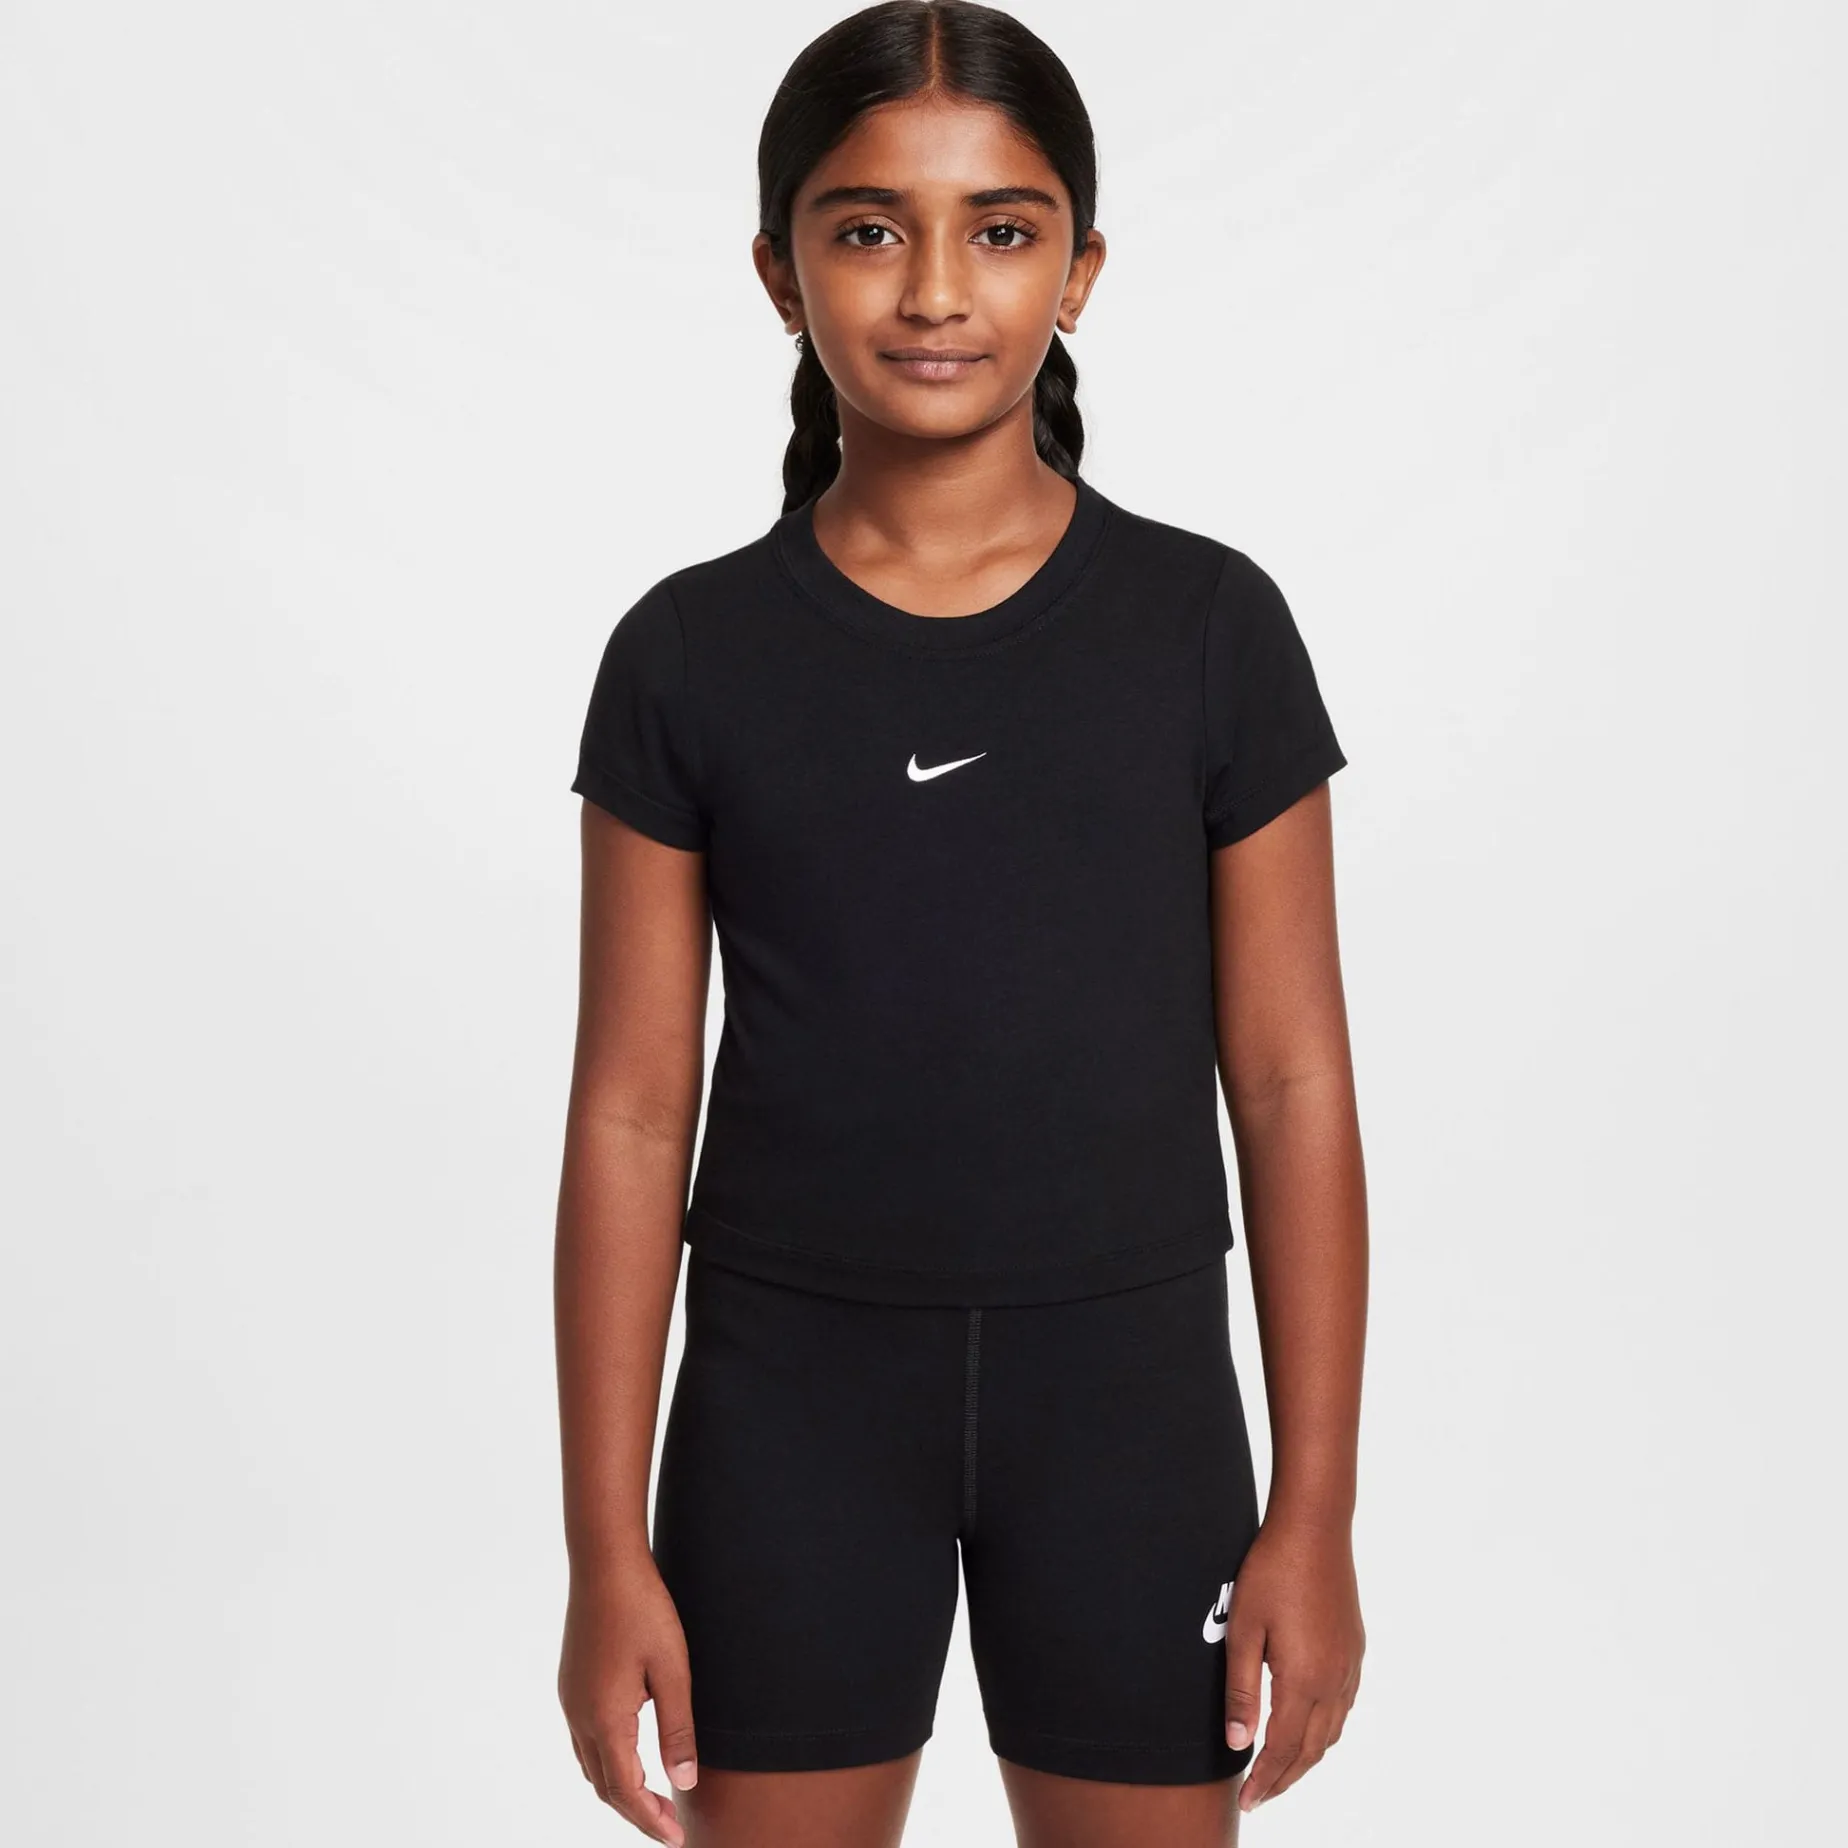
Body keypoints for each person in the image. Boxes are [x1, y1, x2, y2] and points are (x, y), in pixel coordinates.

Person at [553, 4, 1368, 1843]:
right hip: (786, 1413)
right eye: (868, 229)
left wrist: (1314, 1509)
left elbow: (1293, 1079)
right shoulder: (688, 655)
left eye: (1000, 230)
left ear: (1080, 271)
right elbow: (629, 1112)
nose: (935, 289)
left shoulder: (1208, 630)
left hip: (1131, 1408)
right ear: (781, 274)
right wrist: (606, 1551)